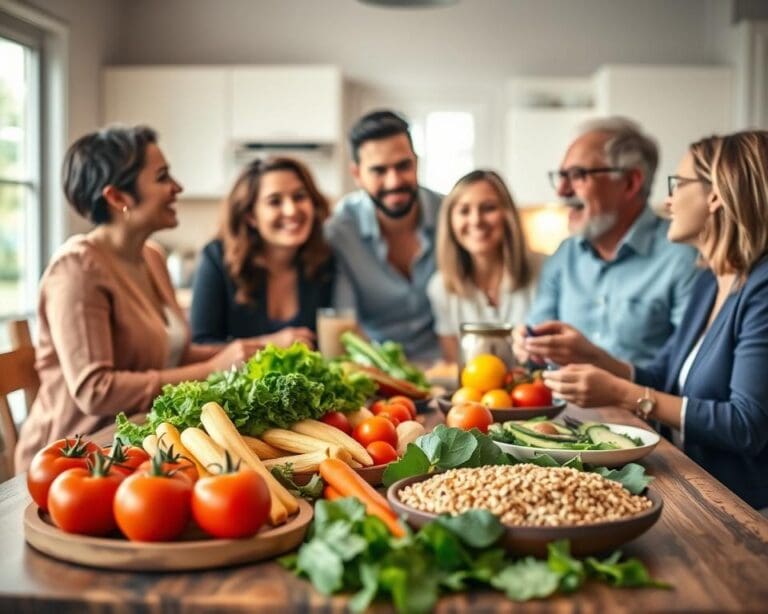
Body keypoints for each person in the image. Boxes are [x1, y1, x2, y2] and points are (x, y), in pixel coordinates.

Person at [540, 131, 768, 510]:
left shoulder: (761, 289)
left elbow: (746, 424)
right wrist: (594, 355)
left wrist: (619, 394)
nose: (667, 199)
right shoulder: (711, 280)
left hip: (745, 511)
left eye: (678, 184)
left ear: (715, 195)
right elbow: (665, 377)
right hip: (696, 488)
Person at [15, 125, 261, 472]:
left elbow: (172, 354)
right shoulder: (77, 269)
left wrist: (246, 351)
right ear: (118, 198)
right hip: (76, 459)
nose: (178, 187)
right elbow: (95, 390)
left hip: (137, 443)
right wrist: (211, 368)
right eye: (162, 177)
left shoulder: (151, 257)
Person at [514, 117, 698, 368]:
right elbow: (536, 348)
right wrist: (528, 345)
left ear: (631, 182)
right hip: (561, 406)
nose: (562, 191)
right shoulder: (564, 255)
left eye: (578, 175)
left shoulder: (682, 259)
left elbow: (686, 369)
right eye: (561, 176)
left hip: (641, 406)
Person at [325, 110, 442, 361]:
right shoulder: (340, 233)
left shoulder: (450, 216)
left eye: (403, 166)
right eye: (379, 171)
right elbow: (345, 325)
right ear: (357, 175)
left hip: (446, 366)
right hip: (379, 370)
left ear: (416, 163)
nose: (394, 181)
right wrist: (395, 375)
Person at [190, 157, 333, 347]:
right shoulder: (217, 258)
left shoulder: (326, 260)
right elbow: (202, 344)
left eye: (299, 197)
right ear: (251, 216)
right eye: (274, 201)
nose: (291, 210)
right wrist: (267, 345)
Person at [427, 169, 544, 362]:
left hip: (534, 387)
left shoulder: (544, 269)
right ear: (450, 221)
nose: (476, 220)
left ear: (507, 215)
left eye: (488, 208)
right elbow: (454, 363)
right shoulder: (440, 287)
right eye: (464, 211)